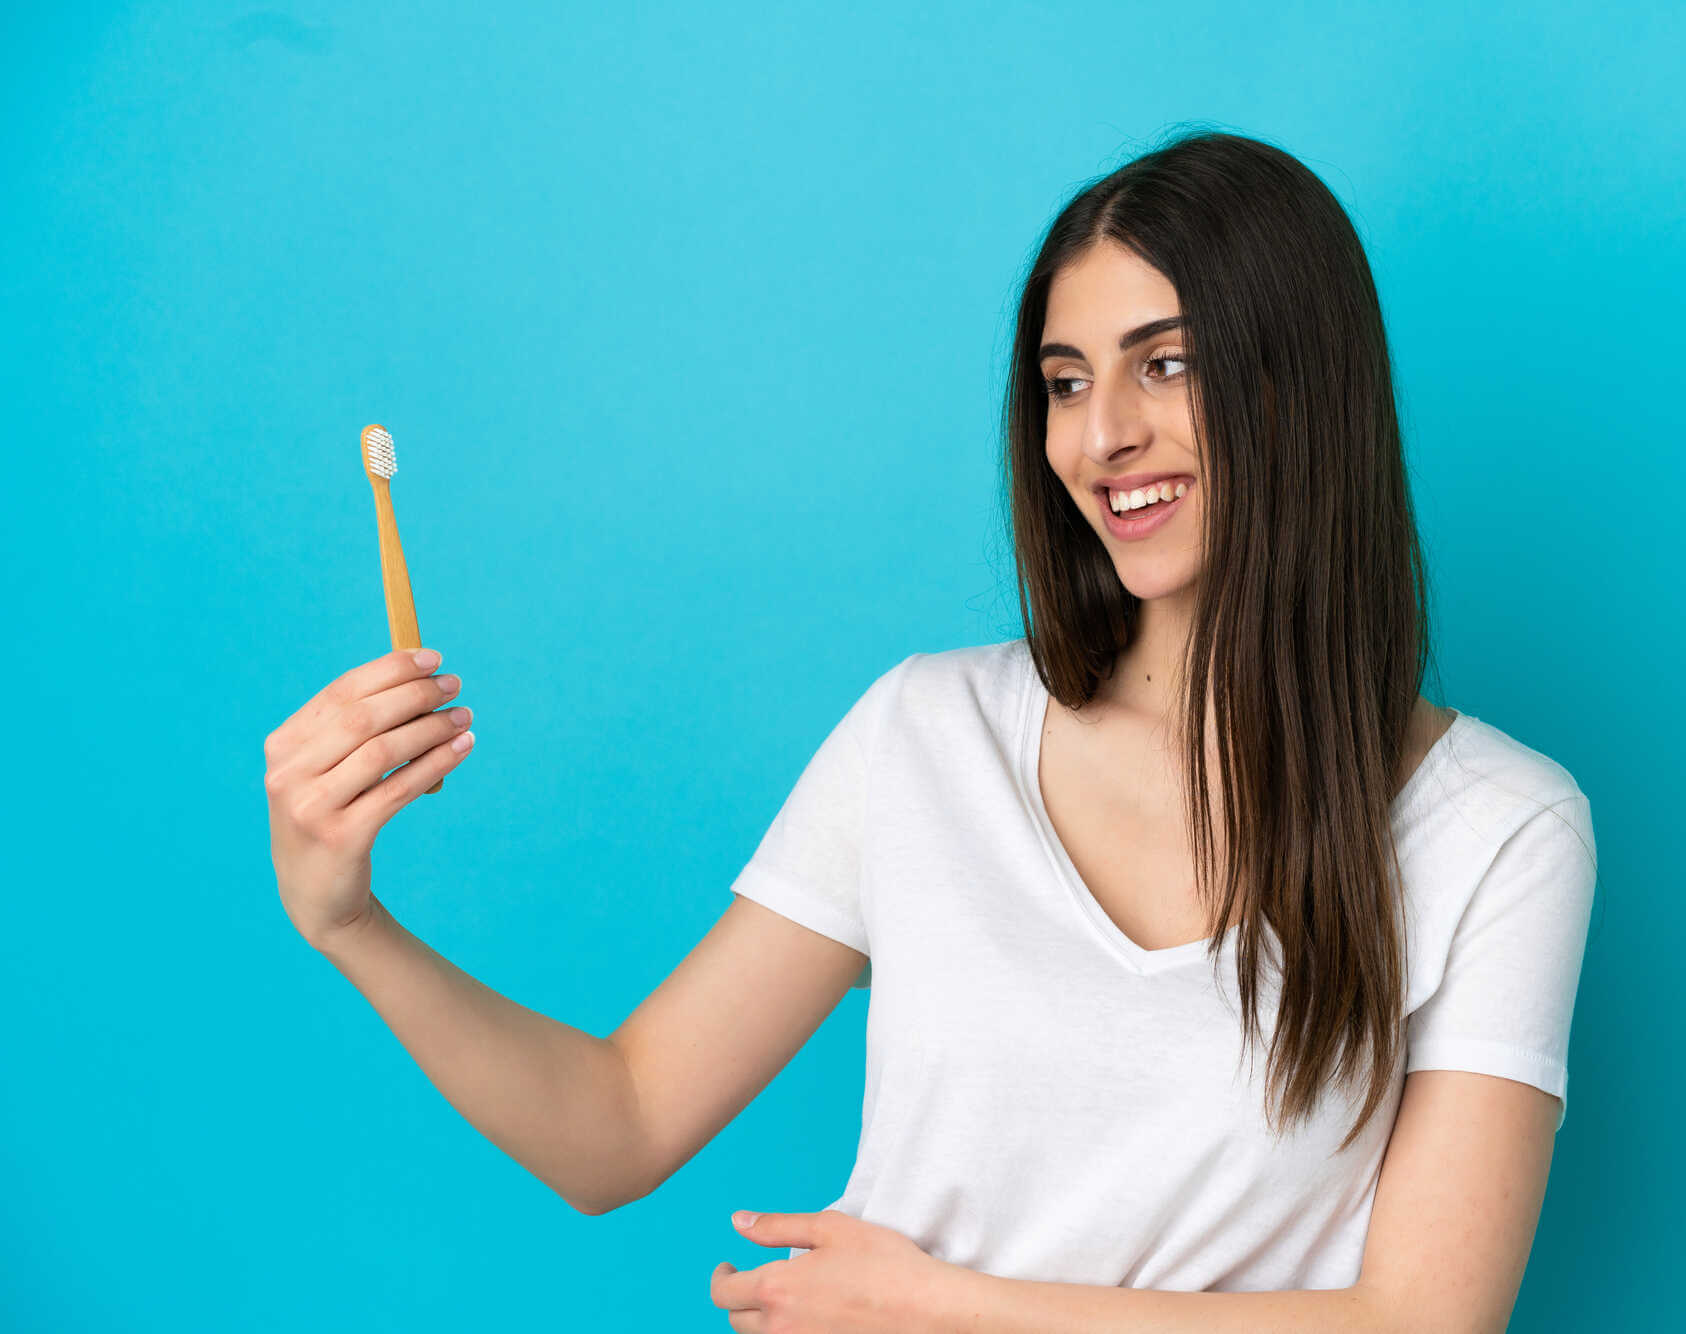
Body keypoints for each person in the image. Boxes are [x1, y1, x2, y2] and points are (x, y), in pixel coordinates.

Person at [264, 128, 1595, 1327]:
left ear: (1300, 386)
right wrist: (350, 923)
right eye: (1065, 383)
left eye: (1166, 364)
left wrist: (948, 1308)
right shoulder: (925, 734)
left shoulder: (1499, 828)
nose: (1104, 436)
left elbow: (1423, 1322)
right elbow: (617, 1121)